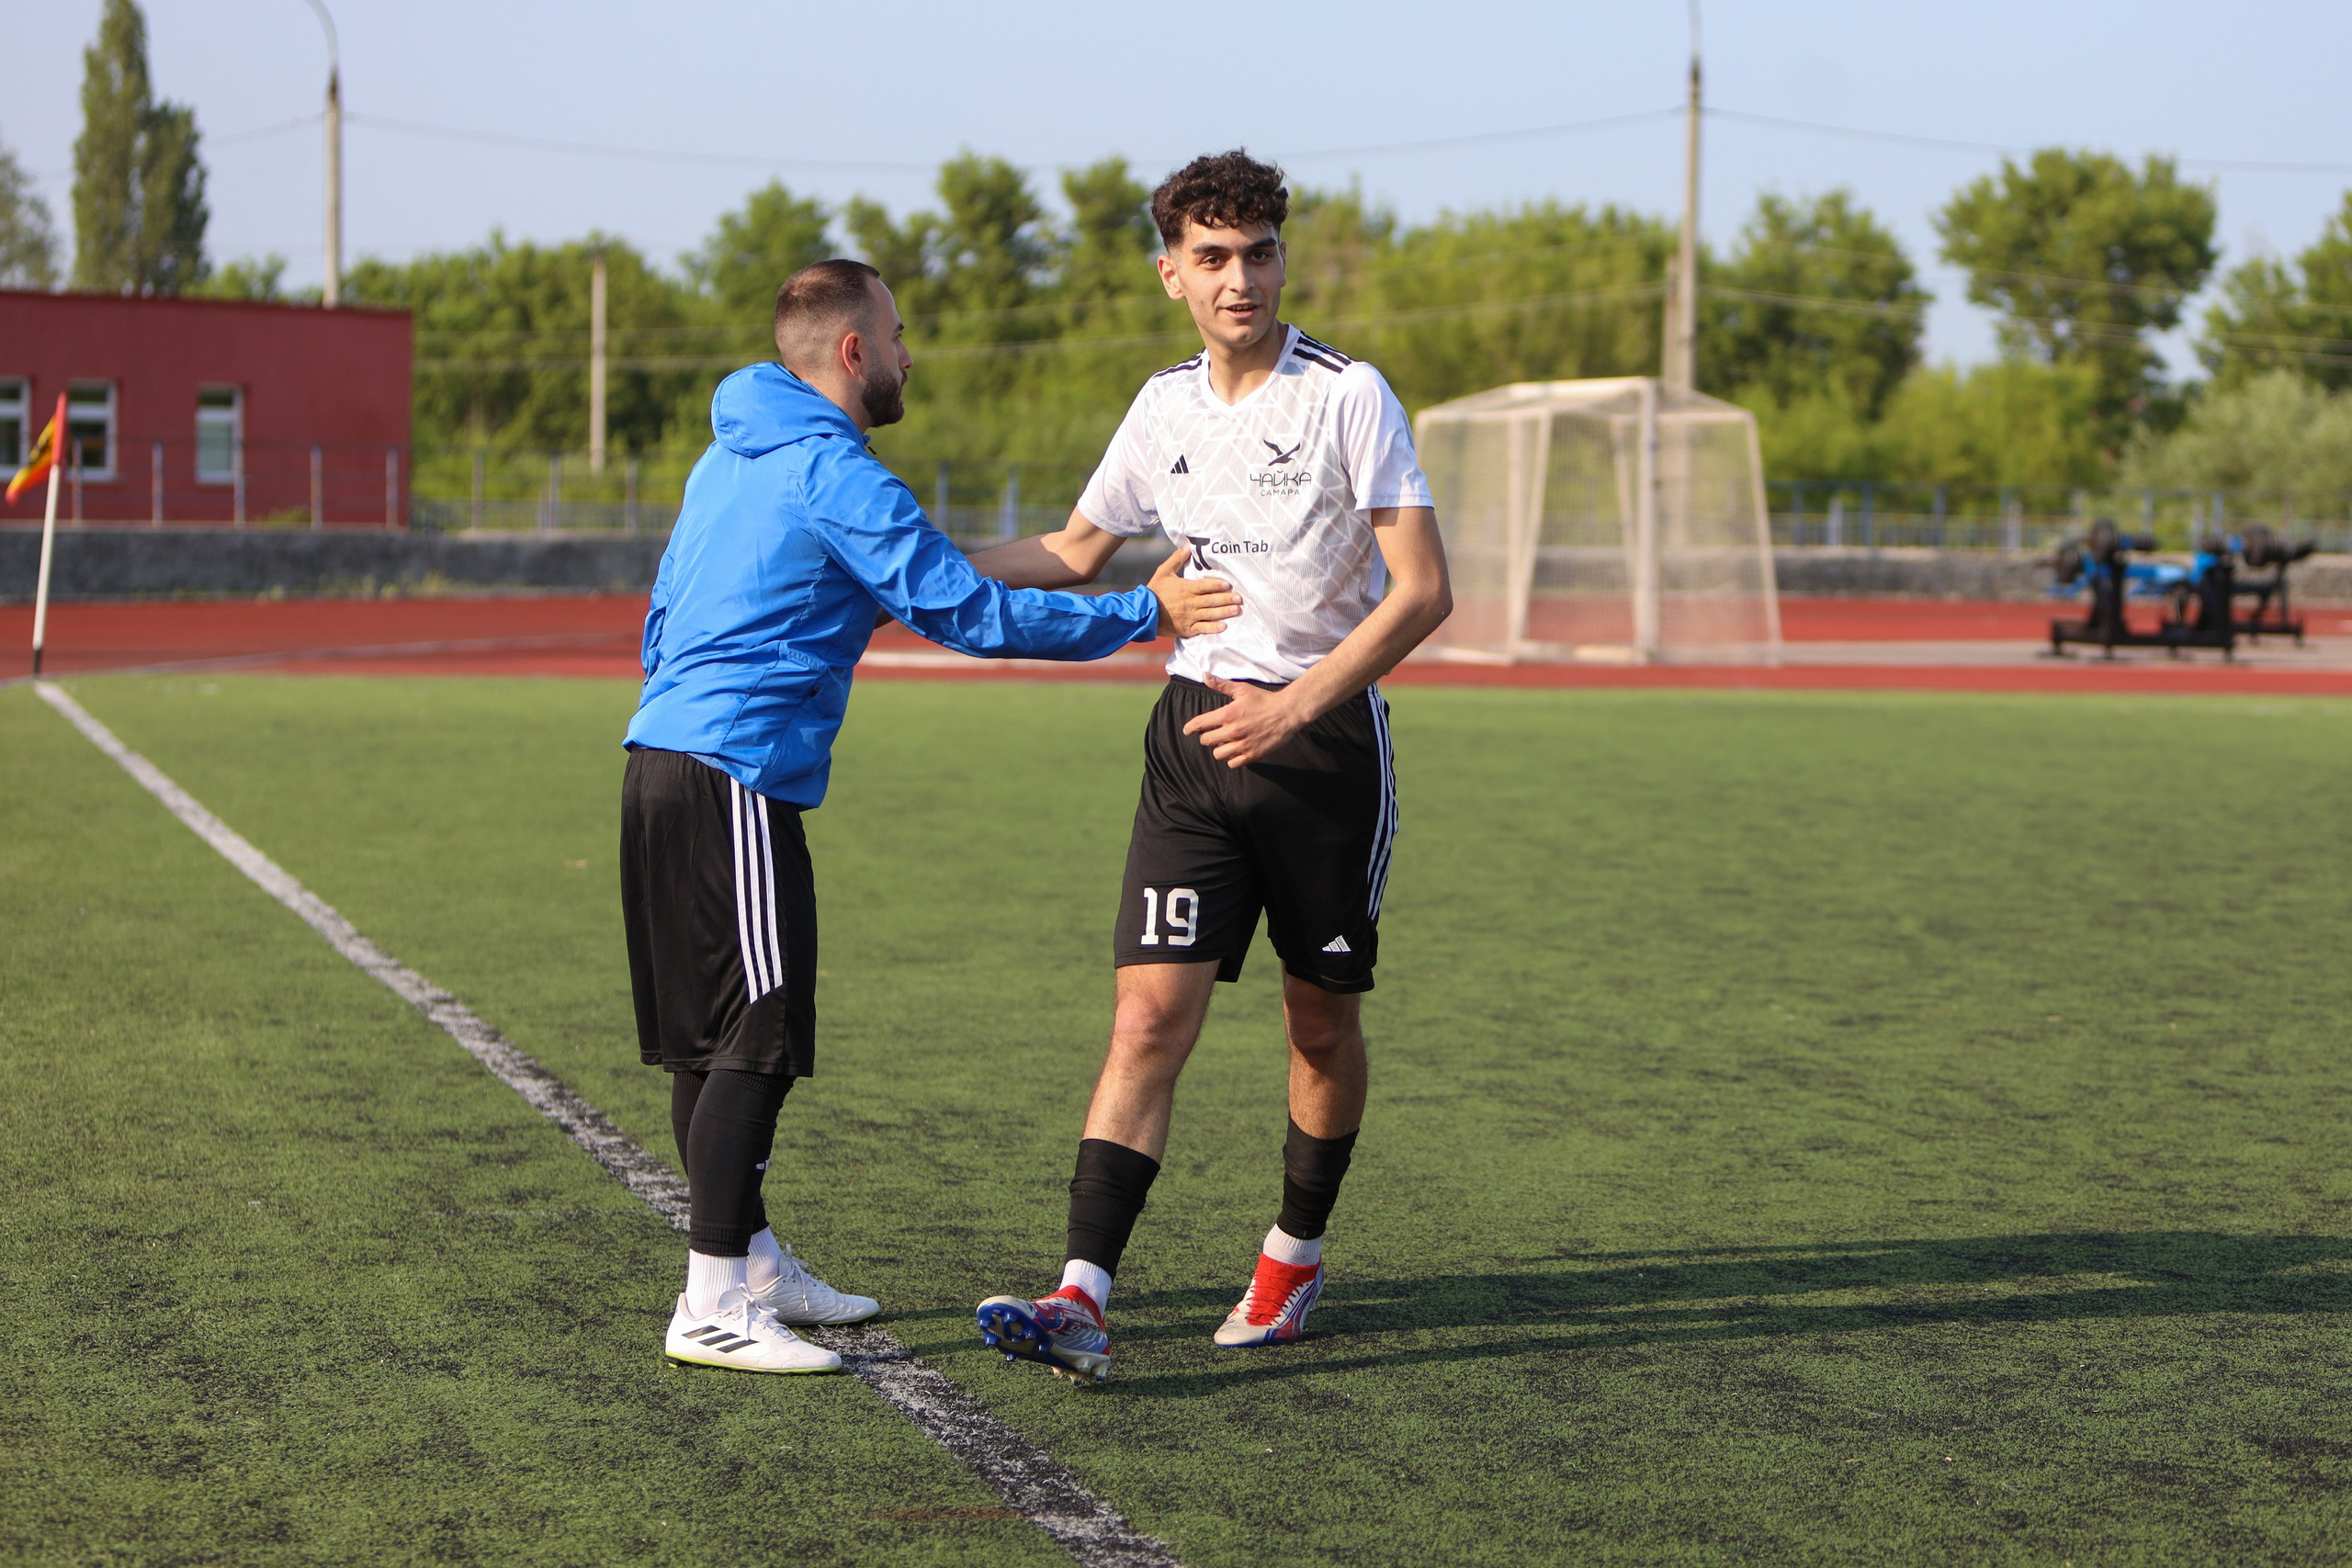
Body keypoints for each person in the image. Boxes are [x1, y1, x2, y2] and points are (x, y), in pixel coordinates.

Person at [622, 259, 1238, 1374]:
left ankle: (749, 1261)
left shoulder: (732, 454)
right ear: (853, 353)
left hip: (664, 760)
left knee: (709, 1041)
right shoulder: (831, 469)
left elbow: (674, 604)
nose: (912, 356)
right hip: (733, 774)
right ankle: (713, 1300)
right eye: (899, 337)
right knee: (755, 1036)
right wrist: (1137, 614)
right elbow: (963, 611)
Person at [964, 152, 1453, 1381]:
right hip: (1187, 743)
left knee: (1319, 1020)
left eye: (1262, 252)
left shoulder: (1349, 395)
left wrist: (1294, 706)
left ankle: (1293, 1250)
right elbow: (1078, 551)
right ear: (1172, 273)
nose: (1243, 278)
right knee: (1145, 1014)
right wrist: (905, 561)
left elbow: (1425, 592)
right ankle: (1080, 1291)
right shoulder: (1161, 407)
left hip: (1324, 748)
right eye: (1216, 258)